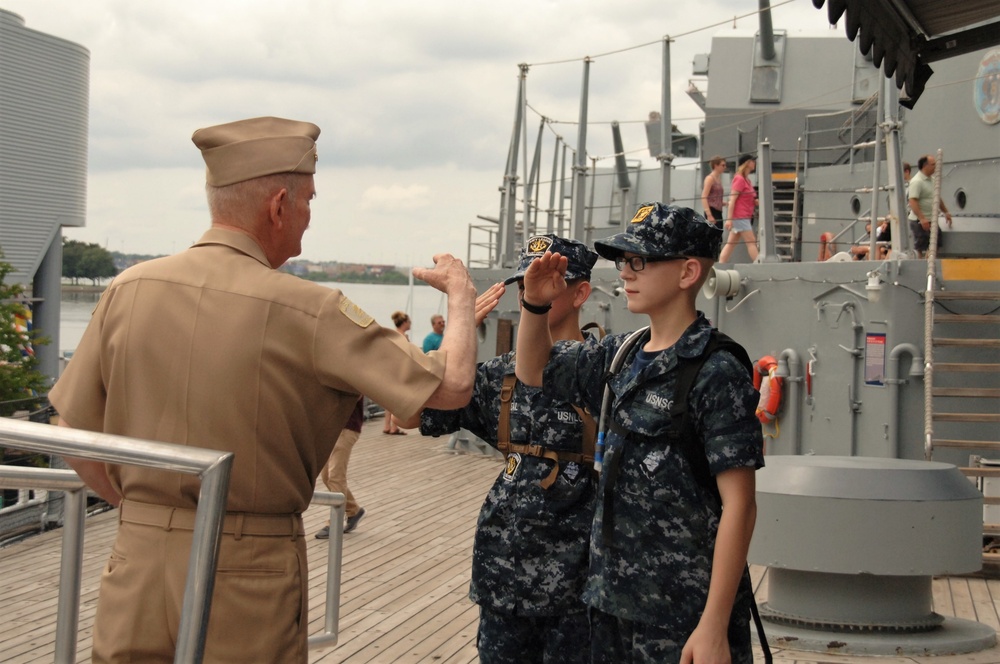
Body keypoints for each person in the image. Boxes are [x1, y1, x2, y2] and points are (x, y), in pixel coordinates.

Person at [48, 116, 484, 663]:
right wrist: (462, 297)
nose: (306, 218)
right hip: (247, 572)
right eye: (308, 202)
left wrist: (142, 508)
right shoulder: (310, 310)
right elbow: (452, 386)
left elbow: (70, 429)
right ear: (278, 206)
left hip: (137, 561)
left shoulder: (128, 288)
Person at [515, 203, 764, 664]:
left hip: (681, 616)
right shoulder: (620, 355)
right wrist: (534, 304)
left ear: (689, 271)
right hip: (611, 604)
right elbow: (535, 371)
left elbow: (740, 505)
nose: (626, 272)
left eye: (641, 261)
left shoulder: (715, 370)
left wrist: (712, 626)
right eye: (624, 261)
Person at [416, 234, 600, 664]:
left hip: (580, 589)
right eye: (524, 285)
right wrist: (456, 332)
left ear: (581, 293)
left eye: (548, 281)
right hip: (505, 580)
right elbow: (418, 412)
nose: (531, 293)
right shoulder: (500, 376)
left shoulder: (604, 371)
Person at [316, 396, 367, 538]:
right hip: (331, 428)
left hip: (347, 427)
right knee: (327, 476)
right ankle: (354, 511)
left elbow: (352, 396)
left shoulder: (353, 375)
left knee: (335, 476)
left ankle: (334, 523)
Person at [907, 154, 952, 257]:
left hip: (932, 220)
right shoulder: (917, 181)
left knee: (935, 243)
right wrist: (922, 218)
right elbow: (912, 201)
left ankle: (929, 264)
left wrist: (946, 212)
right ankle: (920, 266)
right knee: (920, 247)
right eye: (933, 164)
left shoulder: (932, 180)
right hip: (919, 221)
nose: (936, 167)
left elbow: (937, 198)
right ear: (925, 166)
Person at [719, 154, 759, 263]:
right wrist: (729, 219)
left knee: (731, 243)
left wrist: (754, 201)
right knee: (751, 242)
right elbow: (732, 200)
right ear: (746, 164)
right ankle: (759, 264)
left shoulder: (747, 180)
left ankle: (721, 264)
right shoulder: (739, 179)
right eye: (752, 161)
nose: (754, 163)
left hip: (743, 216)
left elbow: (746, 198)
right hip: (740, 217)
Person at [384, 310, 411, 435]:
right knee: (397, 399)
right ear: (404, 322)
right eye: (409, 322)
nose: (410, 324)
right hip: (399, 369)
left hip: (390, 369)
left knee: (389, 399)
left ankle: (386, 425)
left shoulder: (392, 334)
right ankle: (394, 426)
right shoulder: (403, 337)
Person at [700, 155, 727, 228]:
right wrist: (709, 215)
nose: (724, 167)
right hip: (712, 210)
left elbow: (714, 197)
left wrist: (725, 203)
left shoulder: (718, 179)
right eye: (722, 165)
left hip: (718, 211)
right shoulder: (710, 179)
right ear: (716, 165)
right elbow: (704, 196)